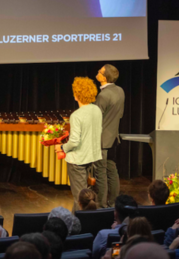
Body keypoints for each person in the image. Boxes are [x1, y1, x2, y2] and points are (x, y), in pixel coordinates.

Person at [55, 77, 102, 211]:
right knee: (87, 196)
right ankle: (90, 222)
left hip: (77, 161)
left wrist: (61, 147)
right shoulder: (97, 110)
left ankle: (78, 227)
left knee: (80, 199)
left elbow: (74, 142)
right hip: (91, 157)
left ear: (77, 95)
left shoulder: (76, 115)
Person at [93, 65, 125, 208]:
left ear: (104, 77)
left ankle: (101, 206)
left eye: (99, 72)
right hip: (113, 138)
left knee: (100, 173)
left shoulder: (103, 95)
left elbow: (95, 119)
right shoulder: (120, 90)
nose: (97, 74)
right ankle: (113, 203)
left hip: (101, 140)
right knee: (112, 171)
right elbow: (121, 114)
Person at [92, 194, 137, 259]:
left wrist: (115, 230)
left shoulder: (103, 235)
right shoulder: (144, 235)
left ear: (115, 213)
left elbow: (94, 255)